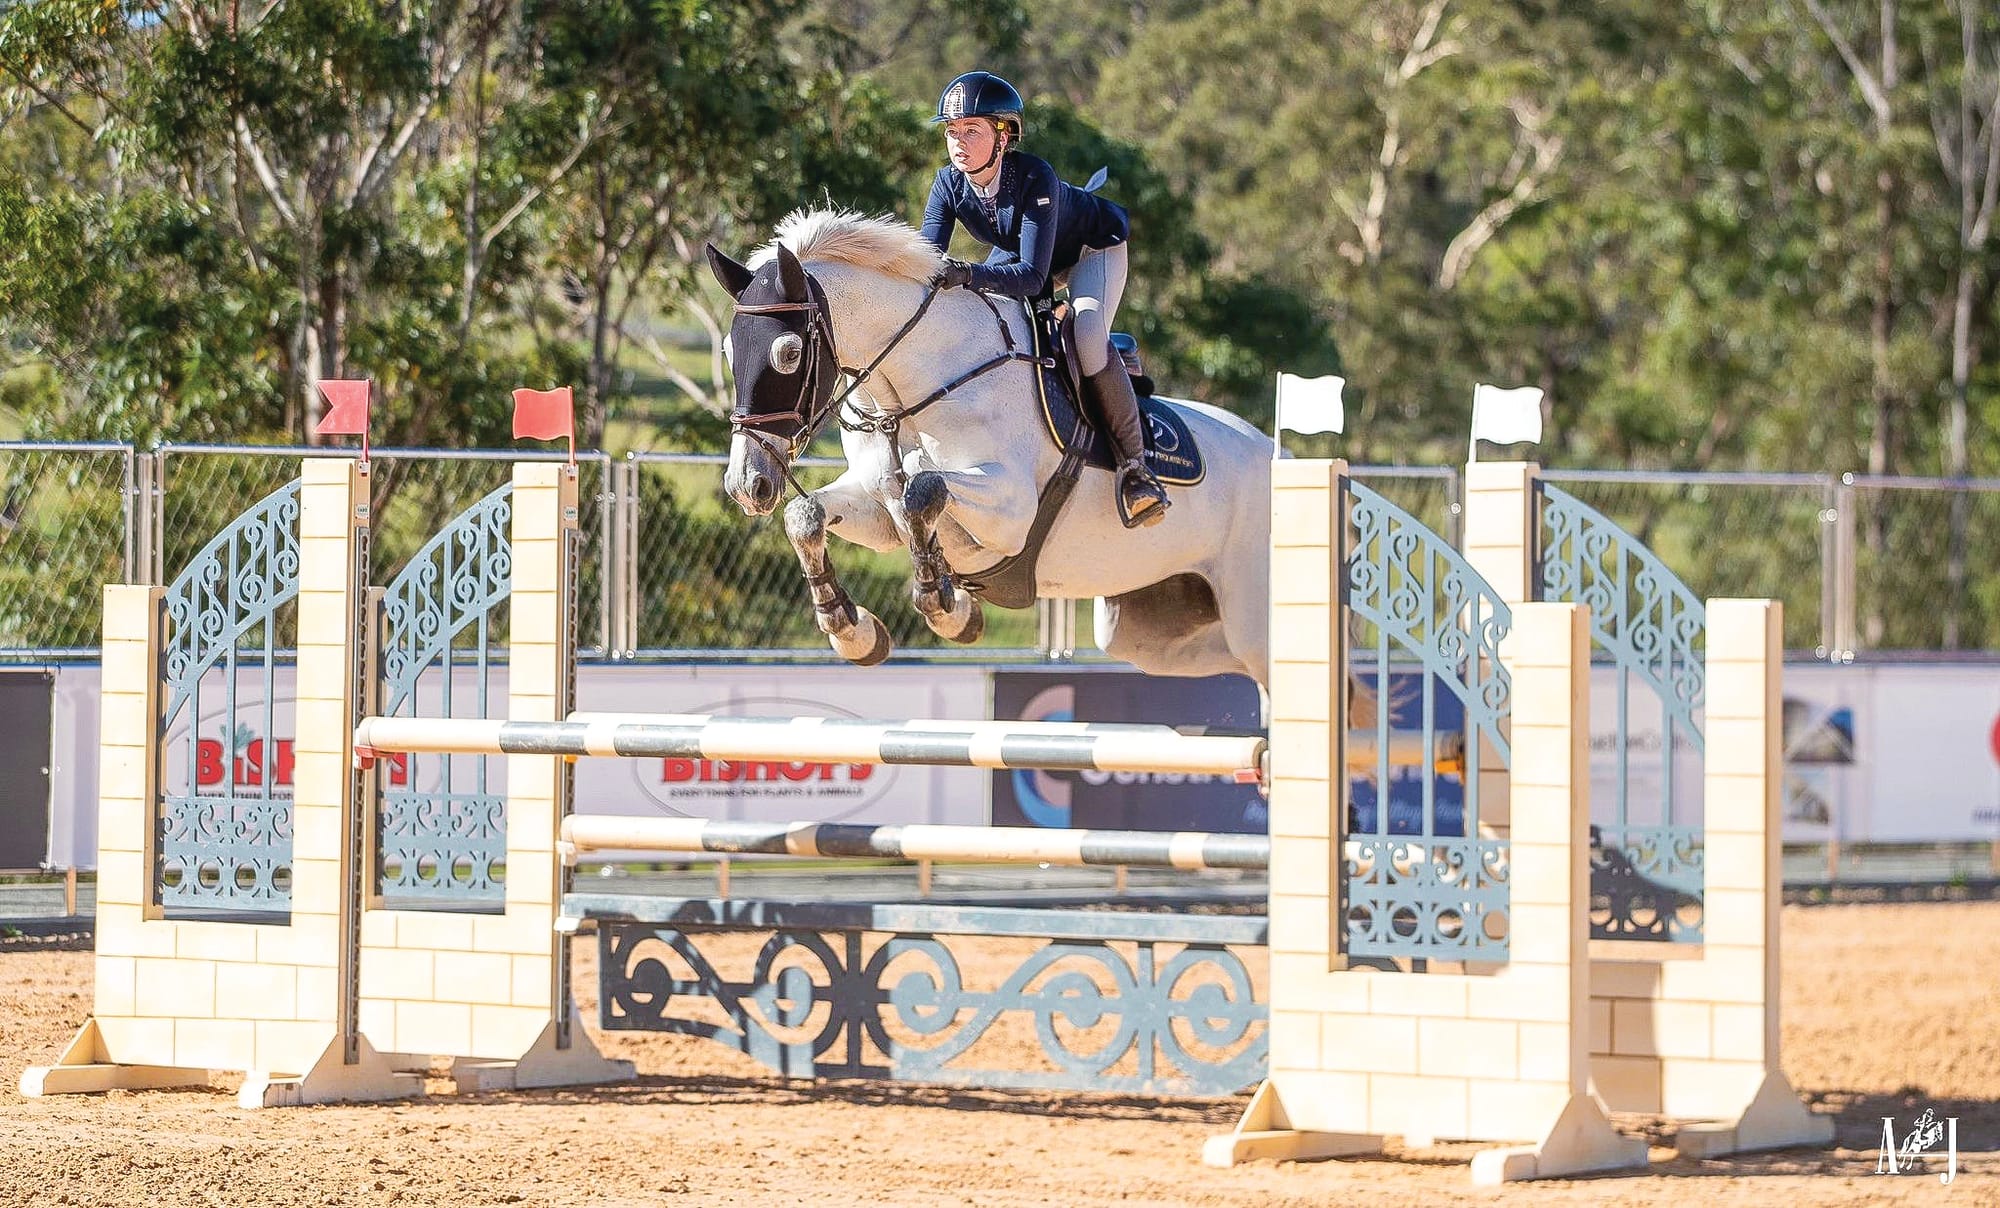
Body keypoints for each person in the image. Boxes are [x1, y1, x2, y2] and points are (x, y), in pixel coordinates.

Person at [918, 70, 1169, 529]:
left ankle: (1136, 469)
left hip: (1091, 249)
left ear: (1003, 134)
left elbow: (1033, 278)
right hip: (1028, 252)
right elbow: (925, 263)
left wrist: (968, 272)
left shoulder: (1034, 175)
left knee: (1087, 330)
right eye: (952, 131)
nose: (958, 142)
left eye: (971, 130)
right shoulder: (947, 184)